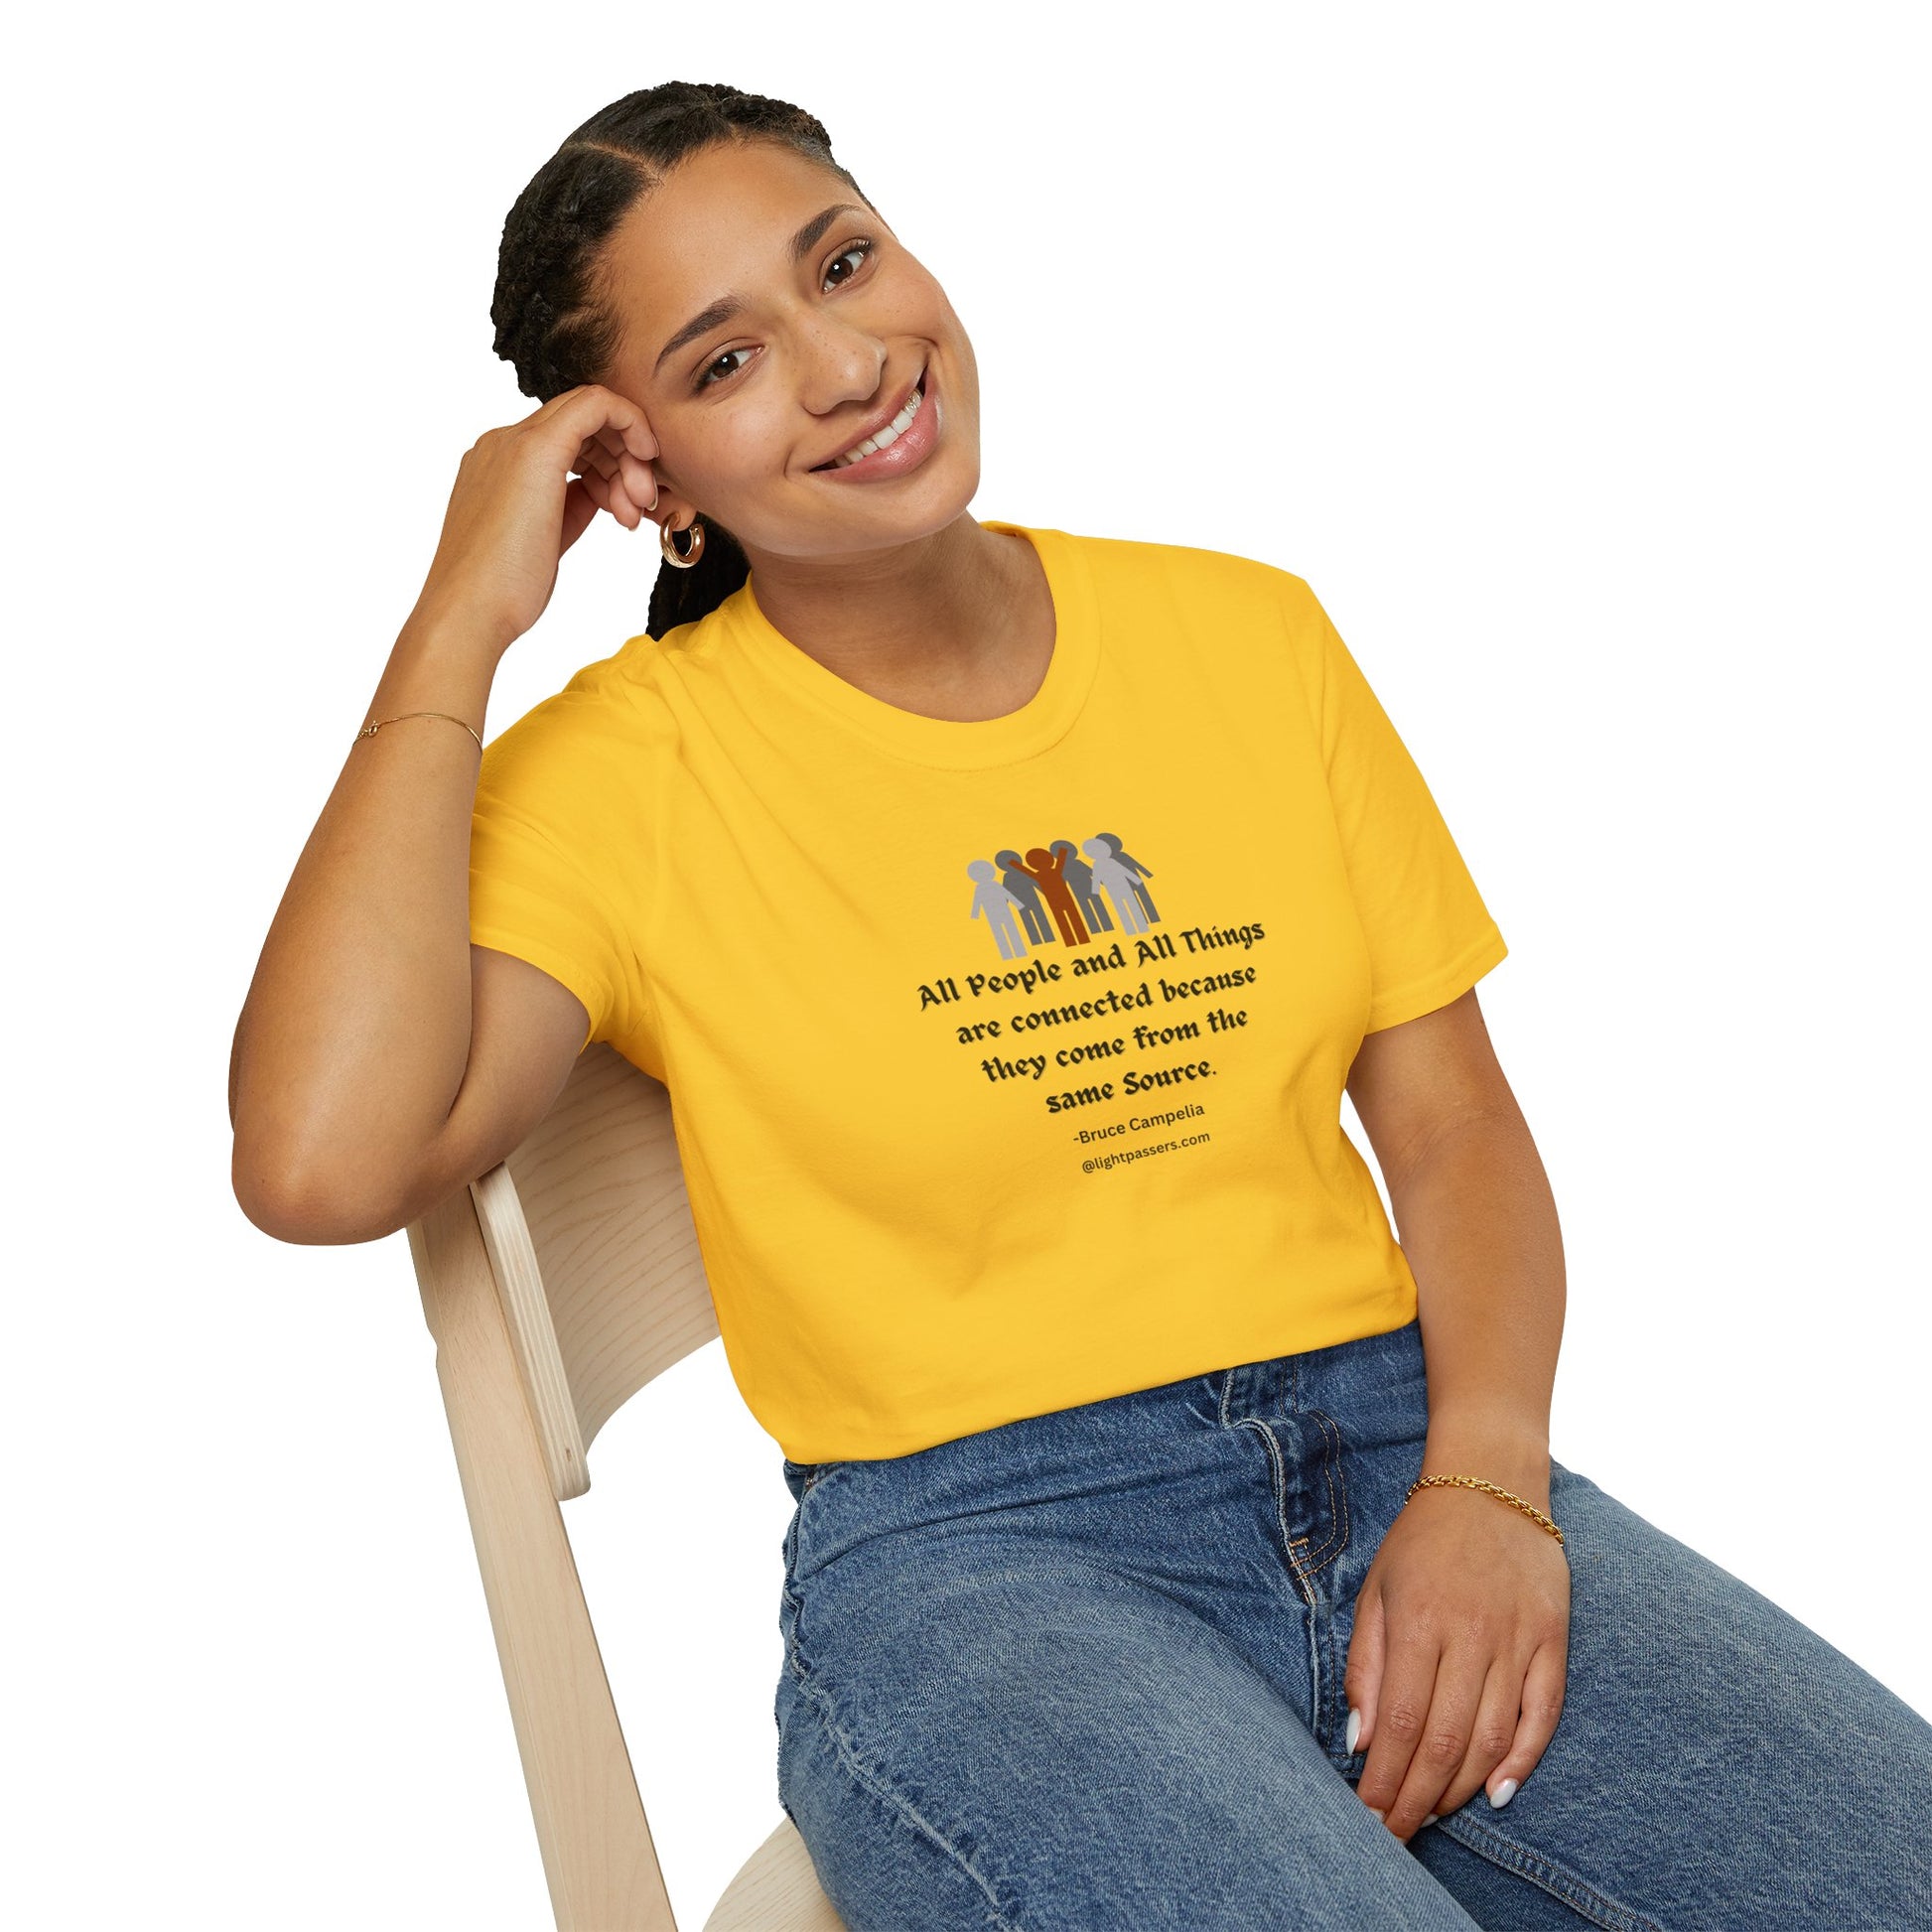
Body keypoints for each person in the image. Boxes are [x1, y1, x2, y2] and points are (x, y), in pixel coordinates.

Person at [228, 80, 1932, 1931]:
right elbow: (321, 1160)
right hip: (981, 1566)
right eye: (725, 363)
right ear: (646, 478)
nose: (847, 362)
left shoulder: (1246, 635)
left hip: (1402, 1446)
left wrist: (1490, 1484)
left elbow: (1450, 1128)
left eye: (845, 262)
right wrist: (456, 618)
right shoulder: (626, 775)